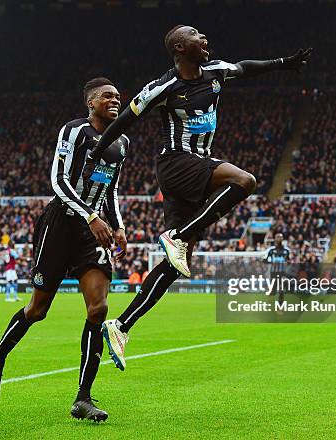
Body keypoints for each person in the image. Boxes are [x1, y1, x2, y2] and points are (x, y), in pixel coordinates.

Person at [85, 25, 311, 370]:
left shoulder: (217, 72)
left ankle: (121, 325)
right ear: (179, 47)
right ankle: (175, 237)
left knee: (178, 265)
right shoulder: (164, 87)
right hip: (176, 163)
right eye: (196, 35)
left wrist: (284, 62)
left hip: (194, 167)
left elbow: (246, 67)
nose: (204, 38)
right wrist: (99, 149)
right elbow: (126, 121)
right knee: (245, 181)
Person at [0, 77, 129, 422]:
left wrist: (118, 224)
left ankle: (83, 397)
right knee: (37, 310)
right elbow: (59, 181)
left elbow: (112, 189)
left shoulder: (122, 142)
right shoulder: (75, 131)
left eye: (117, 97)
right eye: (107, 96)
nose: (115, 100)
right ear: (91, 103)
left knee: (99, 307)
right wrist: (91, 215)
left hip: (92, 231)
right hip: (60, 223)